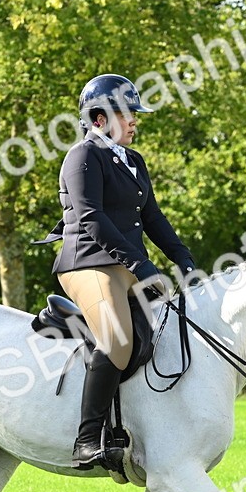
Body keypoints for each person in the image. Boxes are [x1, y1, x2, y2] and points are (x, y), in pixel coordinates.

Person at [45, 73, 198, 471]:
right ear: (100, 118)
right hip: (87, 262)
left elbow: (151, 216)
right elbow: (92, 218)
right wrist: (141, 265)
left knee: (161, 332)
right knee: (116, 341)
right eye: (128, 113)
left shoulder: (133, 161)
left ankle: (126, 425)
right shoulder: (82, 157)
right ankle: (86, 439)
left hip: (124, 265)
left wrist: (182, 256)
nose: (135, 121)